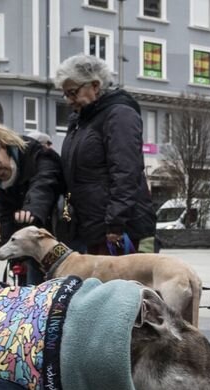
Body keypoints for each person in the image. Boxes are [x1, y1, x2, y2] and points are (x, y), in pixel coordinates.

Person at [56, 54, 154, 255]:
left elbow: (126, 172)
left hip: (117, 230)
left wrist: (115, 223)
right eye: (65, 94)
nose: (68, 101)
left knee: (118, 285)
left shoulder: (119, 114)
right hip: (93, 227)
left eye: (73, 93)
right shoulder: (81, 120)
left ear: (94, 85)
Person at [0, 118, 65, 283]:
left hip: (65, 232)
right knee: (33, 297)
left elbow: (44, 184)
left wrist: (32, 209)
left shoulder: (38, 154)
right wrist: (8, 246)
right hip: (34, 246)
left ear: (3, 145)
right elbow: (6, 212)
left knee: (64, 292)